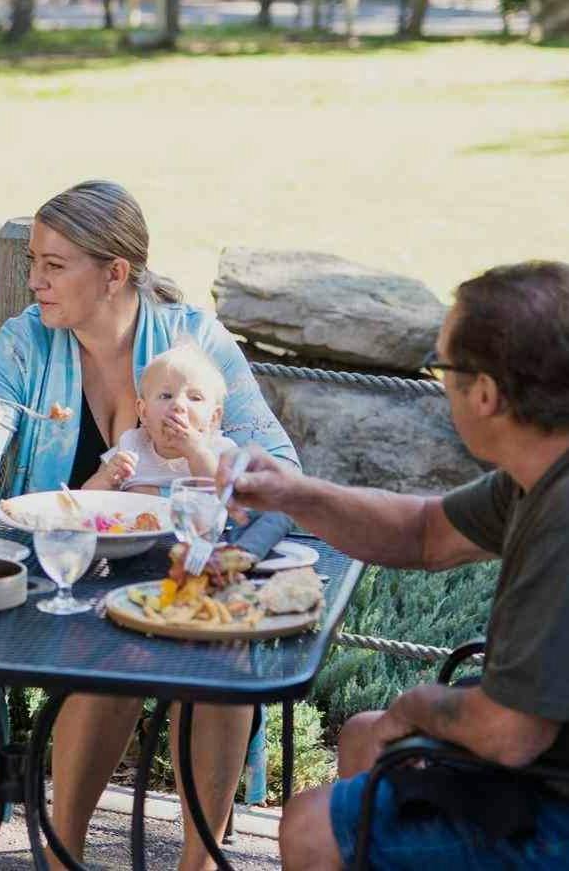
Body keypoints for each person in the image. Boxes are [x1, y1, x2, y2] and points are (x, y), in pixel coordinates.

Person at [0, 180, 297, 871]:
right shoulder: (25, 344)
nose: (34, 281)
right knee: (105, 653)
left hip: (184, 570)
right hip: (66, 575)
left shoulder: (193, 341)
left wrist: (228, 542)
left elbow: (279, 475)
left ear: (113, 273)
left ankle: (196, 865)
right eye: (33, 262)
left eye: (54, 265)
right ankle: (62, 859)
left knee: (215, 658)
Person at [228, 261, 569, 871]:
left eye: (443, 370)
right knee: (363, 733)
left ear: (486, 393)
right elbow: (425, 532)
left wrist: (415, 707)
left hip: (553, 796)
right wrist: (289, 491)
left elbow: (507, 733)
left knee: (309, 826)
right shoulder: (539, 472)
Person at [84, 342, 238, 494]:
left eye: (195, 398)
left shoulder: (220, 451)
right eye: (166, 396)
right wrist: (107, 478)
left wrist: (197, 453)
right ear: (143, 412)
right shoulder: (132, 444)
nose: (178, 404)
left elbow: (225, 500)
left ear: (213, 418)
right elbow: (84, 495)